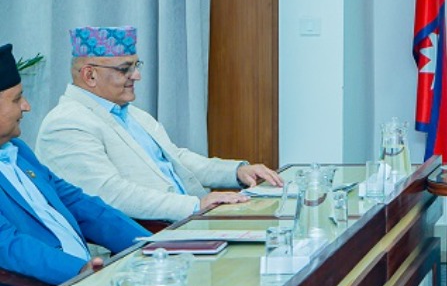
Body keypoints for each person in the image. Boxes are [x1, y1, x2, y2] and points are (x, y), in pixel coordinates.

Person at [37, 26, 282, 222]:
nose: (137, 76)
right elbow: (109, 194)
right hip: (137, 242)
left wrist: (236, 172)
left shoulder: (132, 114)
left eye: (136, 66)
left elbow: (177, 159)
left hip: (182, 225)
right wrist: (195, 205)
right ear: (90, 75)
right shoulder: (66, 124)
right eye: (125, 69)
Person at [0, 43, 149, 286]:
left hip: (87, 285)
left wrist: (147, 244)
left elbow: (77, 203)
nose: (26, 106)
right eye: (16, 99)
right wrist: (77, 270)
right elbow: (7, 244)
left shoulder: (18, 151)